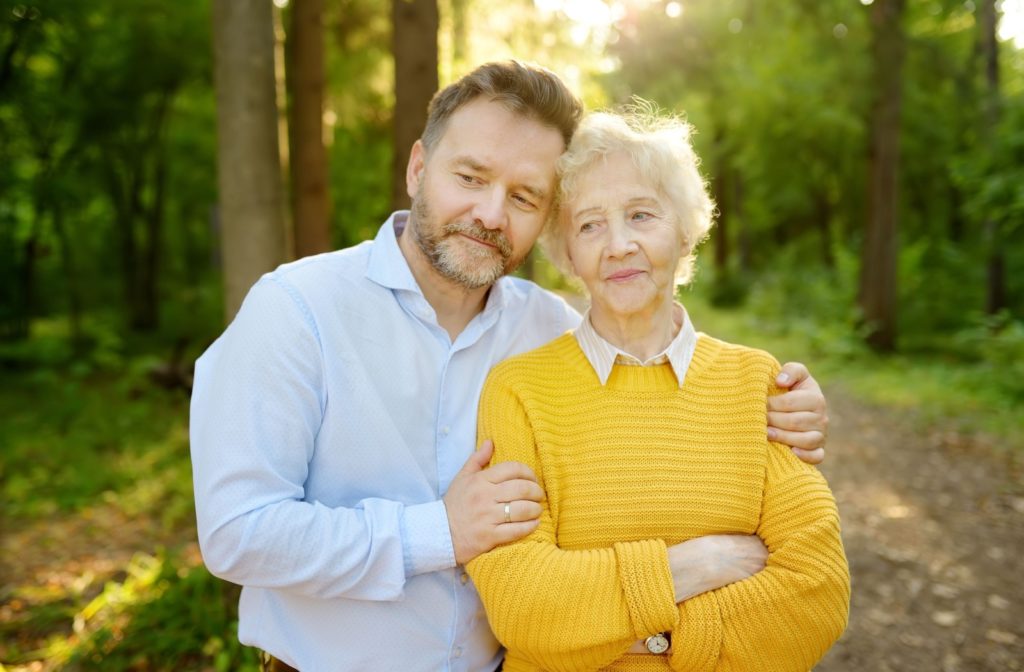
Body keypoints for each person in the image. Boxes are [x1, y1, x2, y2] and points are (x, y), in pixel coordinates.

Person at [189, 61, 831, 672]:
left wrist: (783, 399)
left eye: (524, 196)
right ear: (418, 167)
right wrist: (437, 531)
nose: (491, 214)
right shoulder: (299, 309)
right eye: (470, 177)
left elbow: (658, 354)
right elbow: (237, 532)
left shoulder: (549, 331)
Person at [466, 109, 850, 671]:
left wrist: (640, 642)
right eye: (590, 225)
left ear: (686, 228)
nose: (618, 245)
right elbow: (523, 605)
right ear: (568, 253)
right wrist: (694, 566)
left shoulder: (757, 384)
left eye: (641, 215)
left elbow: (817, 595)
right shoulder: (518, 391)